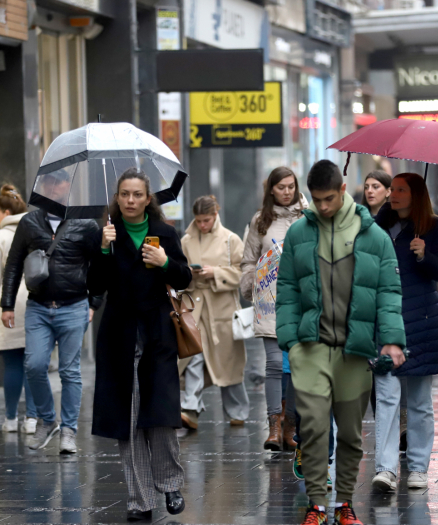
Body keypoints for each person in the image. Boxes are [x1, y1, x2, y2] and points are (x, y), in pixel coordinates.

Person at [277, 160, 406, 525]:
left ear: (344, 187)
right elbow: (286, 287)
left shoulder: (373, 236)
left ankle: (344, 504)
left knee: (350, 433)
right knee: (315, 428)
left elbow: (389, 291)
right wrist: (290, 339)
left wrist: (392, 340)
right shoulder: (299, 233)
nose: (323, 207)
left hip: (355, 350)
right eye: (316, 200)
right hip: (311, 347)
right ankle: (317, 504)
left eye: (329, 198)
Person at [88, 168, 190, 522]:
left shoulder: (164, 233)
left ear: (148, 199)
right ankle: (139, 498)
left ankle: (170, 483)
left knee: (160, 414)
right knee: (127, 419)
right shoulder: (107, 234)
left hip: (157, 332)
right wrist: (102, 249)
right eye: (124, 194)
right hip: (119, 336)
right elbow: (94, 286)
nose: (130, 200)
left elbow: (184, 276)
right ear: (116, 198)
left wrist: (164, 264)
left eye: (137, 194)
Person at [0, 172, 102, 452]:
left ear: (69, 187)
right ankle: (47, 420)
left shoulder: (86, 224)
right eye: (50, 183)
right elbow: (13, 263)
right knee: (33, 365)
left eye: (61, 183)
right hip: (38, 306)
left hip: (74, 306)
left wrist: (94, 303)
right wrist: (6, 304)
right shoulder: (29, 222)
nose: (56, 188)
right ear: (42, 188)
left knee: (70, 371)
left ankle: (69, 430)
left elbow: (100, 266)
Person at [372, 173, 438, 494]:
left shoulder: (432, 227)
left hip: (422, 323)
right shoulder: (377, 227)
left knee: (420, 402)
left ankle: (418, 467)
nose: (393, 194)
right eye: (392, 189)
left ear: (416, 194)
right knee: (387, 397)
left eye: (401, 190)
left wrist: (424, 255)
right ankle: (386, 469)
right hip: (385, 322)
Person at [240, 167, 308, 450]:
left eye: (291, 186)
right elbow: (247, 260)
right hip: (269, 301)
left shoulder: (308, 217)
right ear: (271, 189)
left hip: (300, 302)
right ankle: (273, 424)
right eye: (281, 187)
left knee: (293, 366)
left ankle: (290, 423)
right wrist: (251, 282)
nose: (287, 191)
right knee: (272, 365)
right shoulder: (260, 221)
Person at [179, 195, 249, 428]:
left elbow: (243, 273)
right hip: (194, 308)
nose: (202, 225)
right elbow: (179, 273)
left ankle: (237, 411)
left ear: (215, 214)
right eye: (198, 220)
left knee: (227, 363)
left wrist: (216, 273)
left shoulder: (231, 239)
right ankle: (190, 409)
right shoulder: (186, 240)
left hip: (222, 309)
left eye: (206, 220)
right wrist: (190, 273)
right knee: (193, 358)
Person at [0, 185, 37, 434]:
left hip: (8, 304)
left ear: (7, 212)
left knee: (13, 365)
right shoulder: (36, 229)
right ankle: (32, 419)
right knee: (34, 364)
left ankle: (11, 419)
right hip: (36, 302)